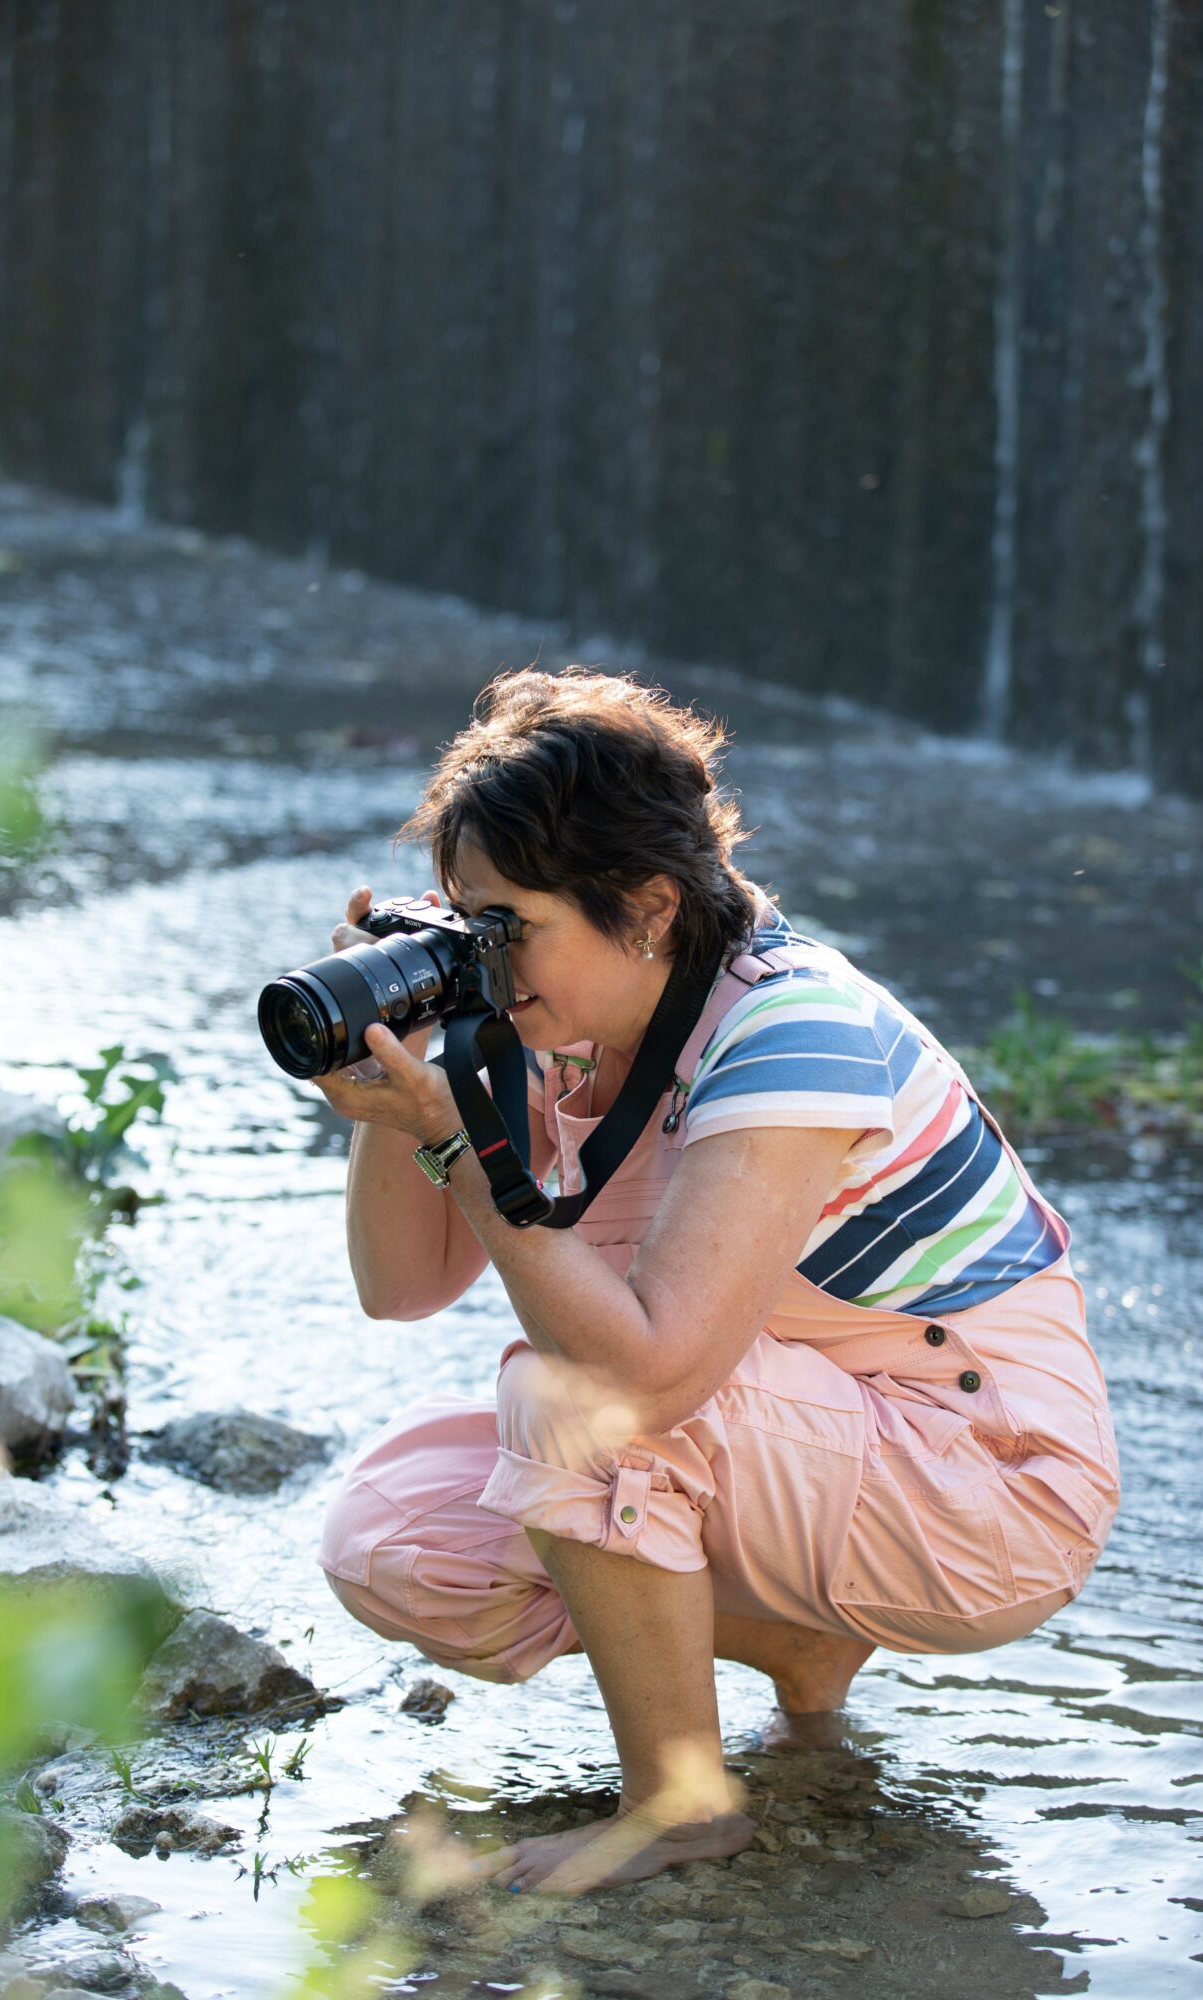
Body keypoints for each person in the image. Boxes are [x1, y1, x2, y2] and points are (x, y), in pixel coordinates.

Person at [313, 667, 1120, 1896]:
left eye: (507, 924)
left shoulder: (790, 1026)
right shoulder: (561, 1021)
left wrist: (458, 1148)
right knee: (398, 1540)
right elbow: (402, 1285)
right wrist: (398, 1083)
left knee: (576, 1399)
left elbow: (644, 1375)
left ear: (645, 906)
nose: (481, 957)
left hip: (988, 1481)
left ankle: (679, 1806)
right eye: (464, 919)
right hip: (814, 1437)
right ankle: (799, 1644)